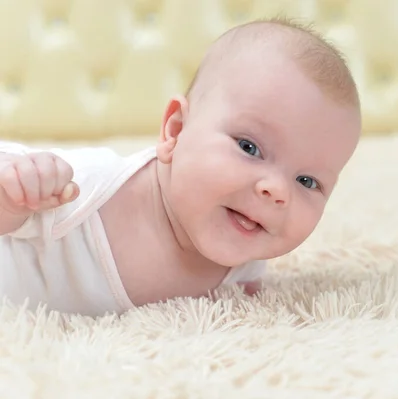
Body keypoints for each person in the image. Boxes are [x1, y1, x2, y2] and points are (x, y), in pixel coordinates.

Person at [0, 17, 362, 317]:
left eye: (307, 181)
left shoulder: (246, 254)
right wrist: (15, 197)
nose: (277, 190)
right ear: (175, 130)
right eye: (250, 147)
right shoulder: (84, 189)